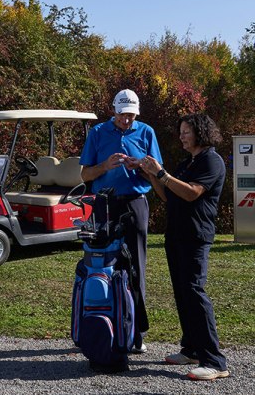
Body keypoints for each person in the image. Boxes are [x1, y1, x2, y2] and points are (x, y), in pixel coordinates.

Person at [140, 114, 229, 381]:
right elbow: (169, 194)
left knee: (194, 291)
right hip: (176, 235)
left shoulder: (211, 160)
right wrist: (150, 175)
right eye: (180, 131)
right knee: (182, 292)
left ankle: (214, 361)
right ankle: (191, 349)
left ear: (201, 132)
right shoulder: (188, 162)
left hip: (195, 236)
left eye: (186, 131)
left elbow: (191, 192)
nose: (181, 136)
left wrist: (160, 172)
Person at [79, 88, 162, 353]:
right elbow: (84, 175)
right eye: (123, 115)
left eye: (131, 116)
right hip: (104, 203)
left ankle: (136, 332)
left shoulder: (146, 132)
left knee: (136, 264)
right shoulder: (98, 133)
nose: (127, 120)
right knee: (102, 263)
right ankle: (105, 325)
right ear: (113, 110)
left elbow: (158, 173)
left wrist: (140, 166)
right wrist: (104, 166)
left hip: (135, 202)